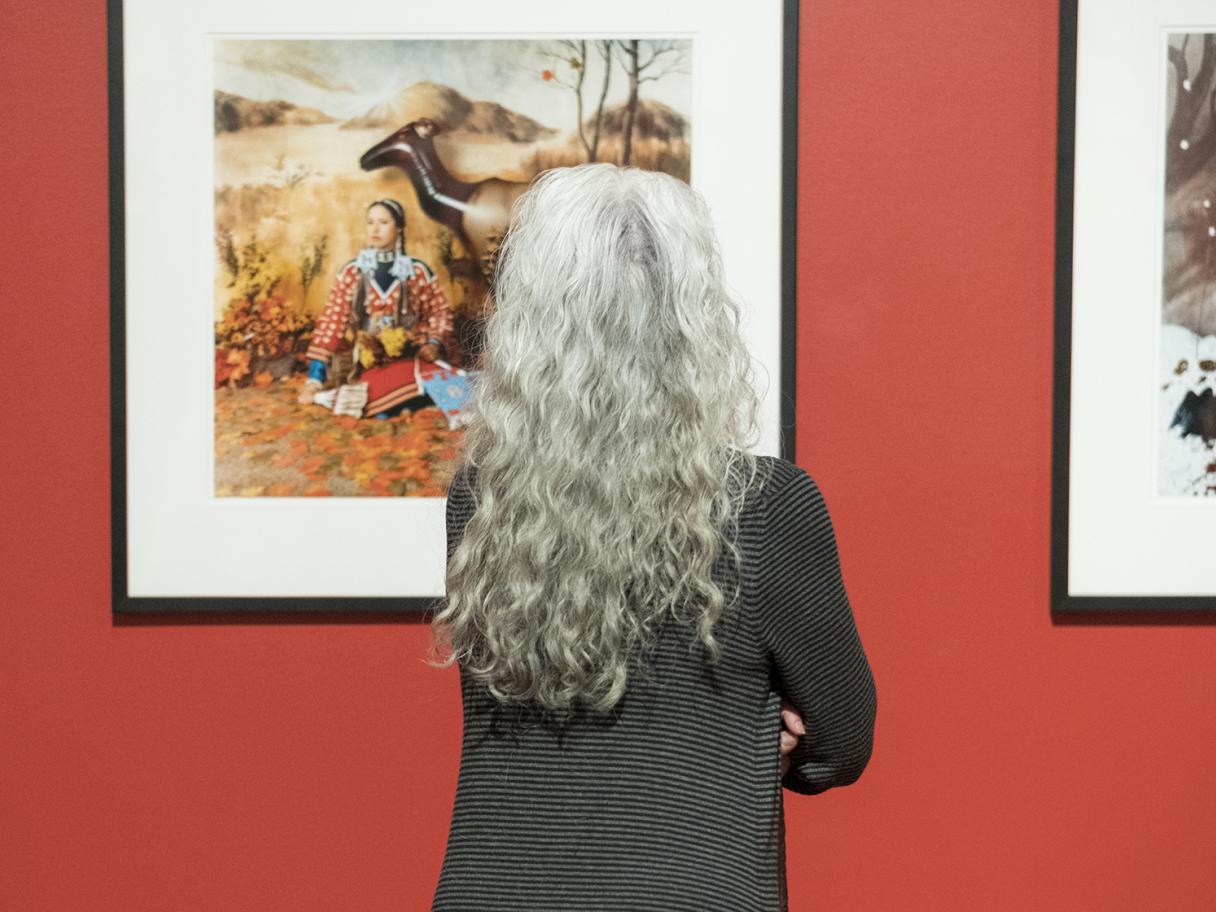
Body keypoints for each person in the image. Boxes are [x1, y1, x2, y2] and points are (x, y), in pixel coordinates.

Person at [428, 164, 877, 911]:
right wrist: (742, 734)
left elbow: (537, 697)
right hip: (689, 887)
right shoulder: (768, 504)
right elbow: (842, 741)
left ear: (528, 317)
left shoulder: (480, 499)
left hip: (494, 888)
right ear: (694, 316)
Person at [300, 198, 455, 417]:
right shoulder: (352, 272)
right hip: (372, 362)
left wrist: (433, 343)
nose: (375, 229)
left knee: (446, 386)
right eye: (370, 222)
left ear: (399, 227)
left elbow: (440, 312)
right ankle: (404, 401)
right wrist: (314, 380)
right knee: (376, 401)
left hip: (412, 356)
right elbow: (331, 323)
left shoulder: (417, 271)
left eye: (383, 222)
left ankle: (413, 398)